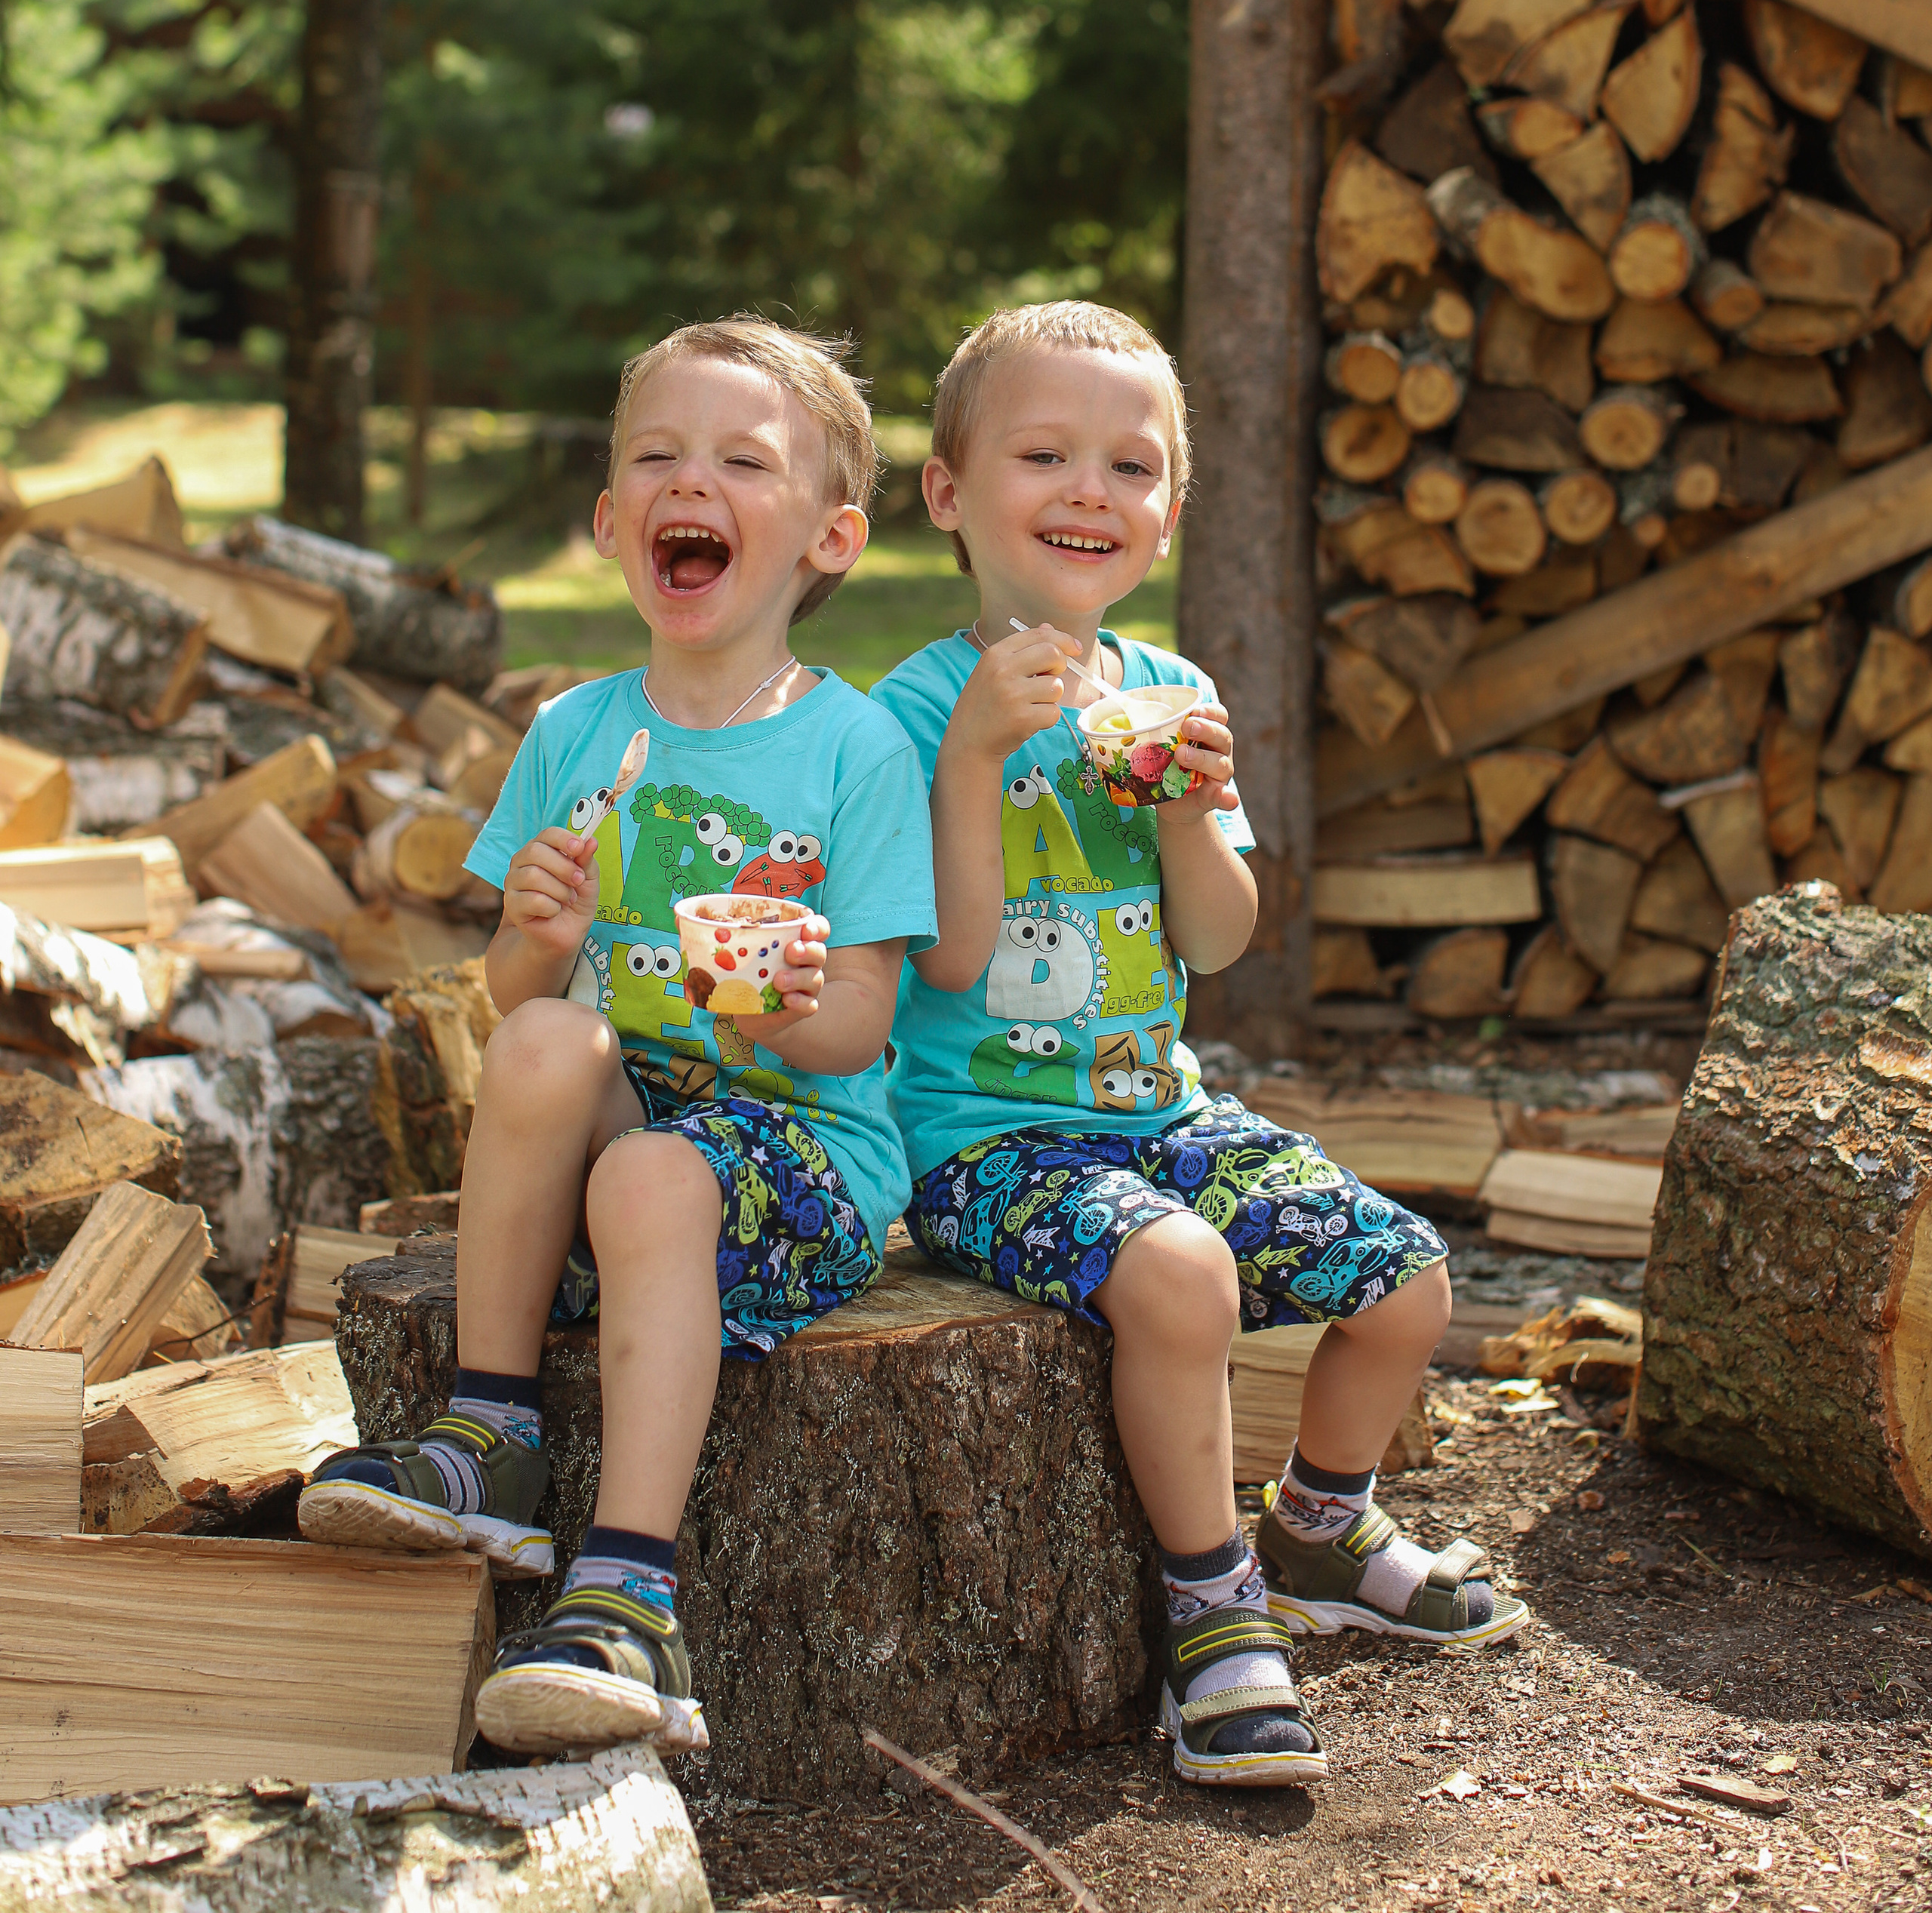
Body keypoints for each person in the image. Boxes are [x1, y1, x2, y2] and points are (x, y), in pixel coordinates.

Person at [870, 300, 1523, 1792]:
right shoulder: (904, 715)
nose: (1090, 490)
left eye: (1132, 465)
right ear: (948, 494)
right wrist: (972, 760)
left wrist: (1180, 808)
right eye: (1045, 455)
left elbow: (1221, 943)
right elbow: (947, 960)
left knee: (1409, 1282)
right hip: (985, 1142)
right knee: (1183, 1279)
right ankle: (1211, 1606)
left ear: (1170, 510)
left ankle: (1321, 1528)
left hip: (1161, 1114)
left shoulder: (1176, 691)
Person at [299, 318, 935, 1761]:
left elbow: (860, 1032)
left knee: (653, 1176)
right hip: (615, 1148)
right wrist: (536, 925)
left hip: (799, 1166)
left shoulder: (855, 751)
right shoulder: (575, 732)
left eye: (741, 462)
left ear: (830, 539)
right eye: (657, 456)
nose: (689, 481)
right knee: (539, 1045)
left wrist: (783, 1009)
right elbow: (512, 990)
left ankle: (630, 1591)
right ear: (610, 522)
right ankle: (491, 1435)